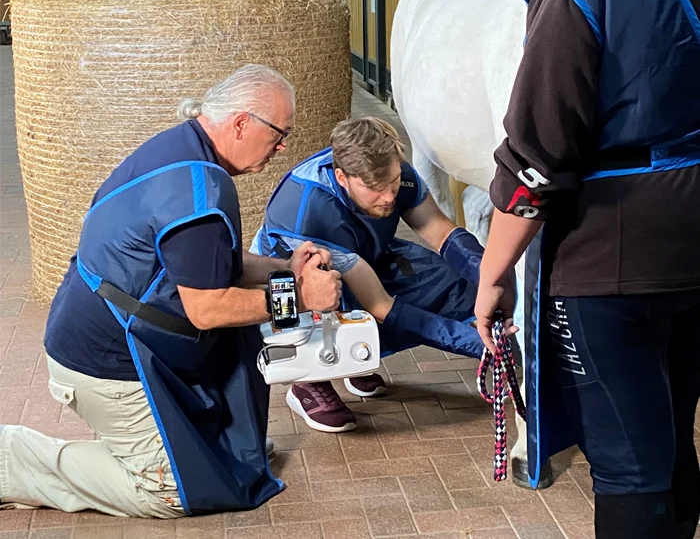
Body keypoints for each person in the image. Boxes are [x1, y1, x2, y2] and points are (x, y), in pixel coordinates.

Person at [473, 0, 700, 536]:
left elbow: (539, 153)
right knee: (673, 439)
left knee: (632, 464)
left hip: (615, 255)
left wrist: (493, 271)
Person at [0, 64, 342, 517]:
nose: (283, 146)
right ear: (242, 123)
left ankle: (198, 452)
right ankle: (11, 462)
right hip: (109, 364)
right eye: (280, 133)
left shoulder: (180, 149)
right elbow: (206, 309)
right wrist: (299, 299)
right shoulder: (200, 190)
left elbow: (202, 265)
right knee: (171, 492)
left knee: (217, 461)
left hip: (104, 335)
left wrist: (284, 268)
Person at [252, 117, 485, 433]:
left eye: (392, 182)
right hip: (295, 284)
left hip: (364, 254)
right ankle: (307, 381)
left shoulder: (395, 170)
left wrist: (492, 280)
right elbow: (380, 305)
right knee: (329, 303)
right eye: (374, 189)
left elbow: (439, 231)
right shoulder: (311, 210)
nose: (388, 196)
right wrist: (479, 345)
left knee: (458, 286)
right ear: (342, 178)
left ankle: (354, 358)